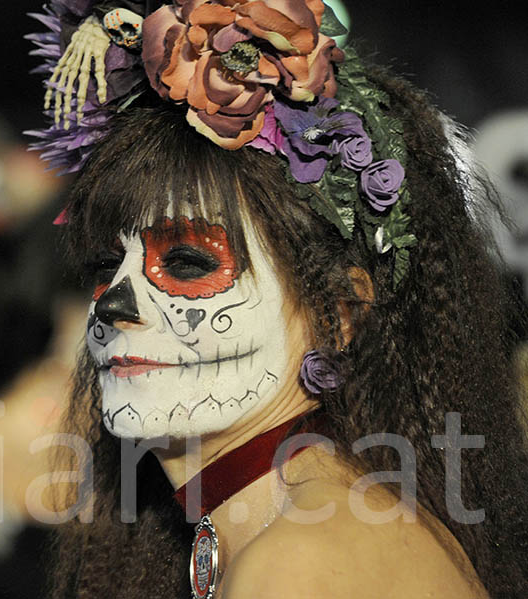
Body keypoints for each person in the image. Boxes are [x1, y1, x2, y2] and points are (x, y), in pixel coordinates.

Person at [26, 1, 528, 597]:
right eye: (108, 266)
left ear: (338, 313)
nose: (113, 305)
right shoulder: (289, 525)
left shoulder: (303, 563)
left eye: (188, 262)